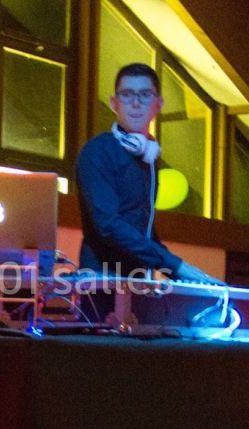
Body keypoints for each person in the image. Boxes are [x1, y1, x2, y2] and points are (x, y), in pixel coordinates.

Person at [76, 63, 221, 285]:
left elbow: (144, 230)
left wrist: (184, 274)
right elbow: (109, 225)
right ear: (114, 103)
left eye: (145, 95)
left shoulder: (149, 158)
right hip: (102, 281)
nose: (135, 103)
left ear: (158, 104)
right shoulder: (97, 152)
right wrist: (175, 266)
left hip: (140, 281)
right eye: (126, 94)